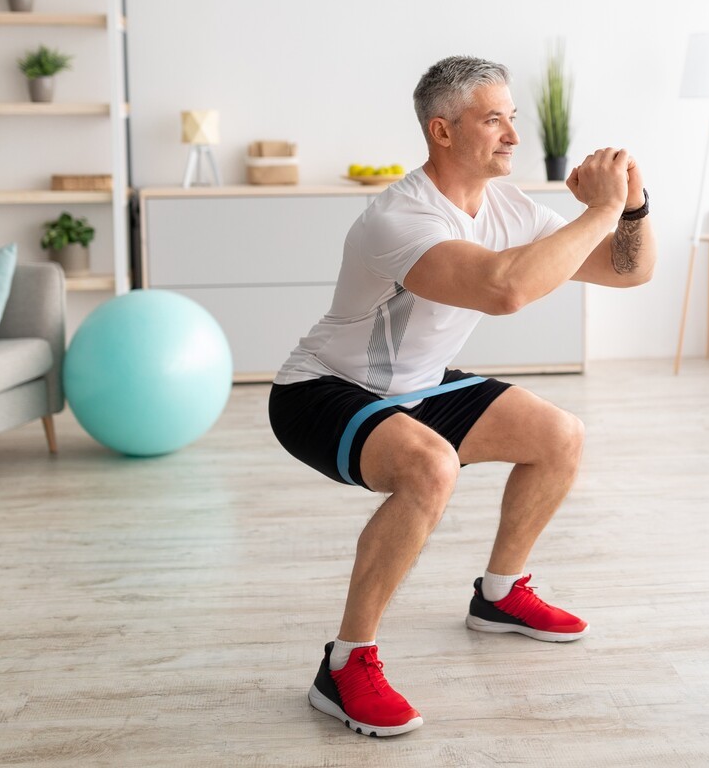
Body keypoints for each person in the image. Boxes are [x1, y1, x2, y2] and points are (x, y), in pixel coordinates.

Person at [268, 55, 656, 737]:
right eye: (493, 118)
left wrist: (632, 205)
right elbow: (502, 289)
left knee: (559, 436)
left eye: (512, 117)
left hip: (417, 386)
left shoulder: (506, 205)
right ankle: (345, 664)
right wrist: (597, 208)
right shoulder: (400, 217)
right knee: (429, 467)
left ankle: (501, 596)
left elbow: (627, 272)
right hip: (322, 390)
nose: (511, 134)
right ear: (441, 131)